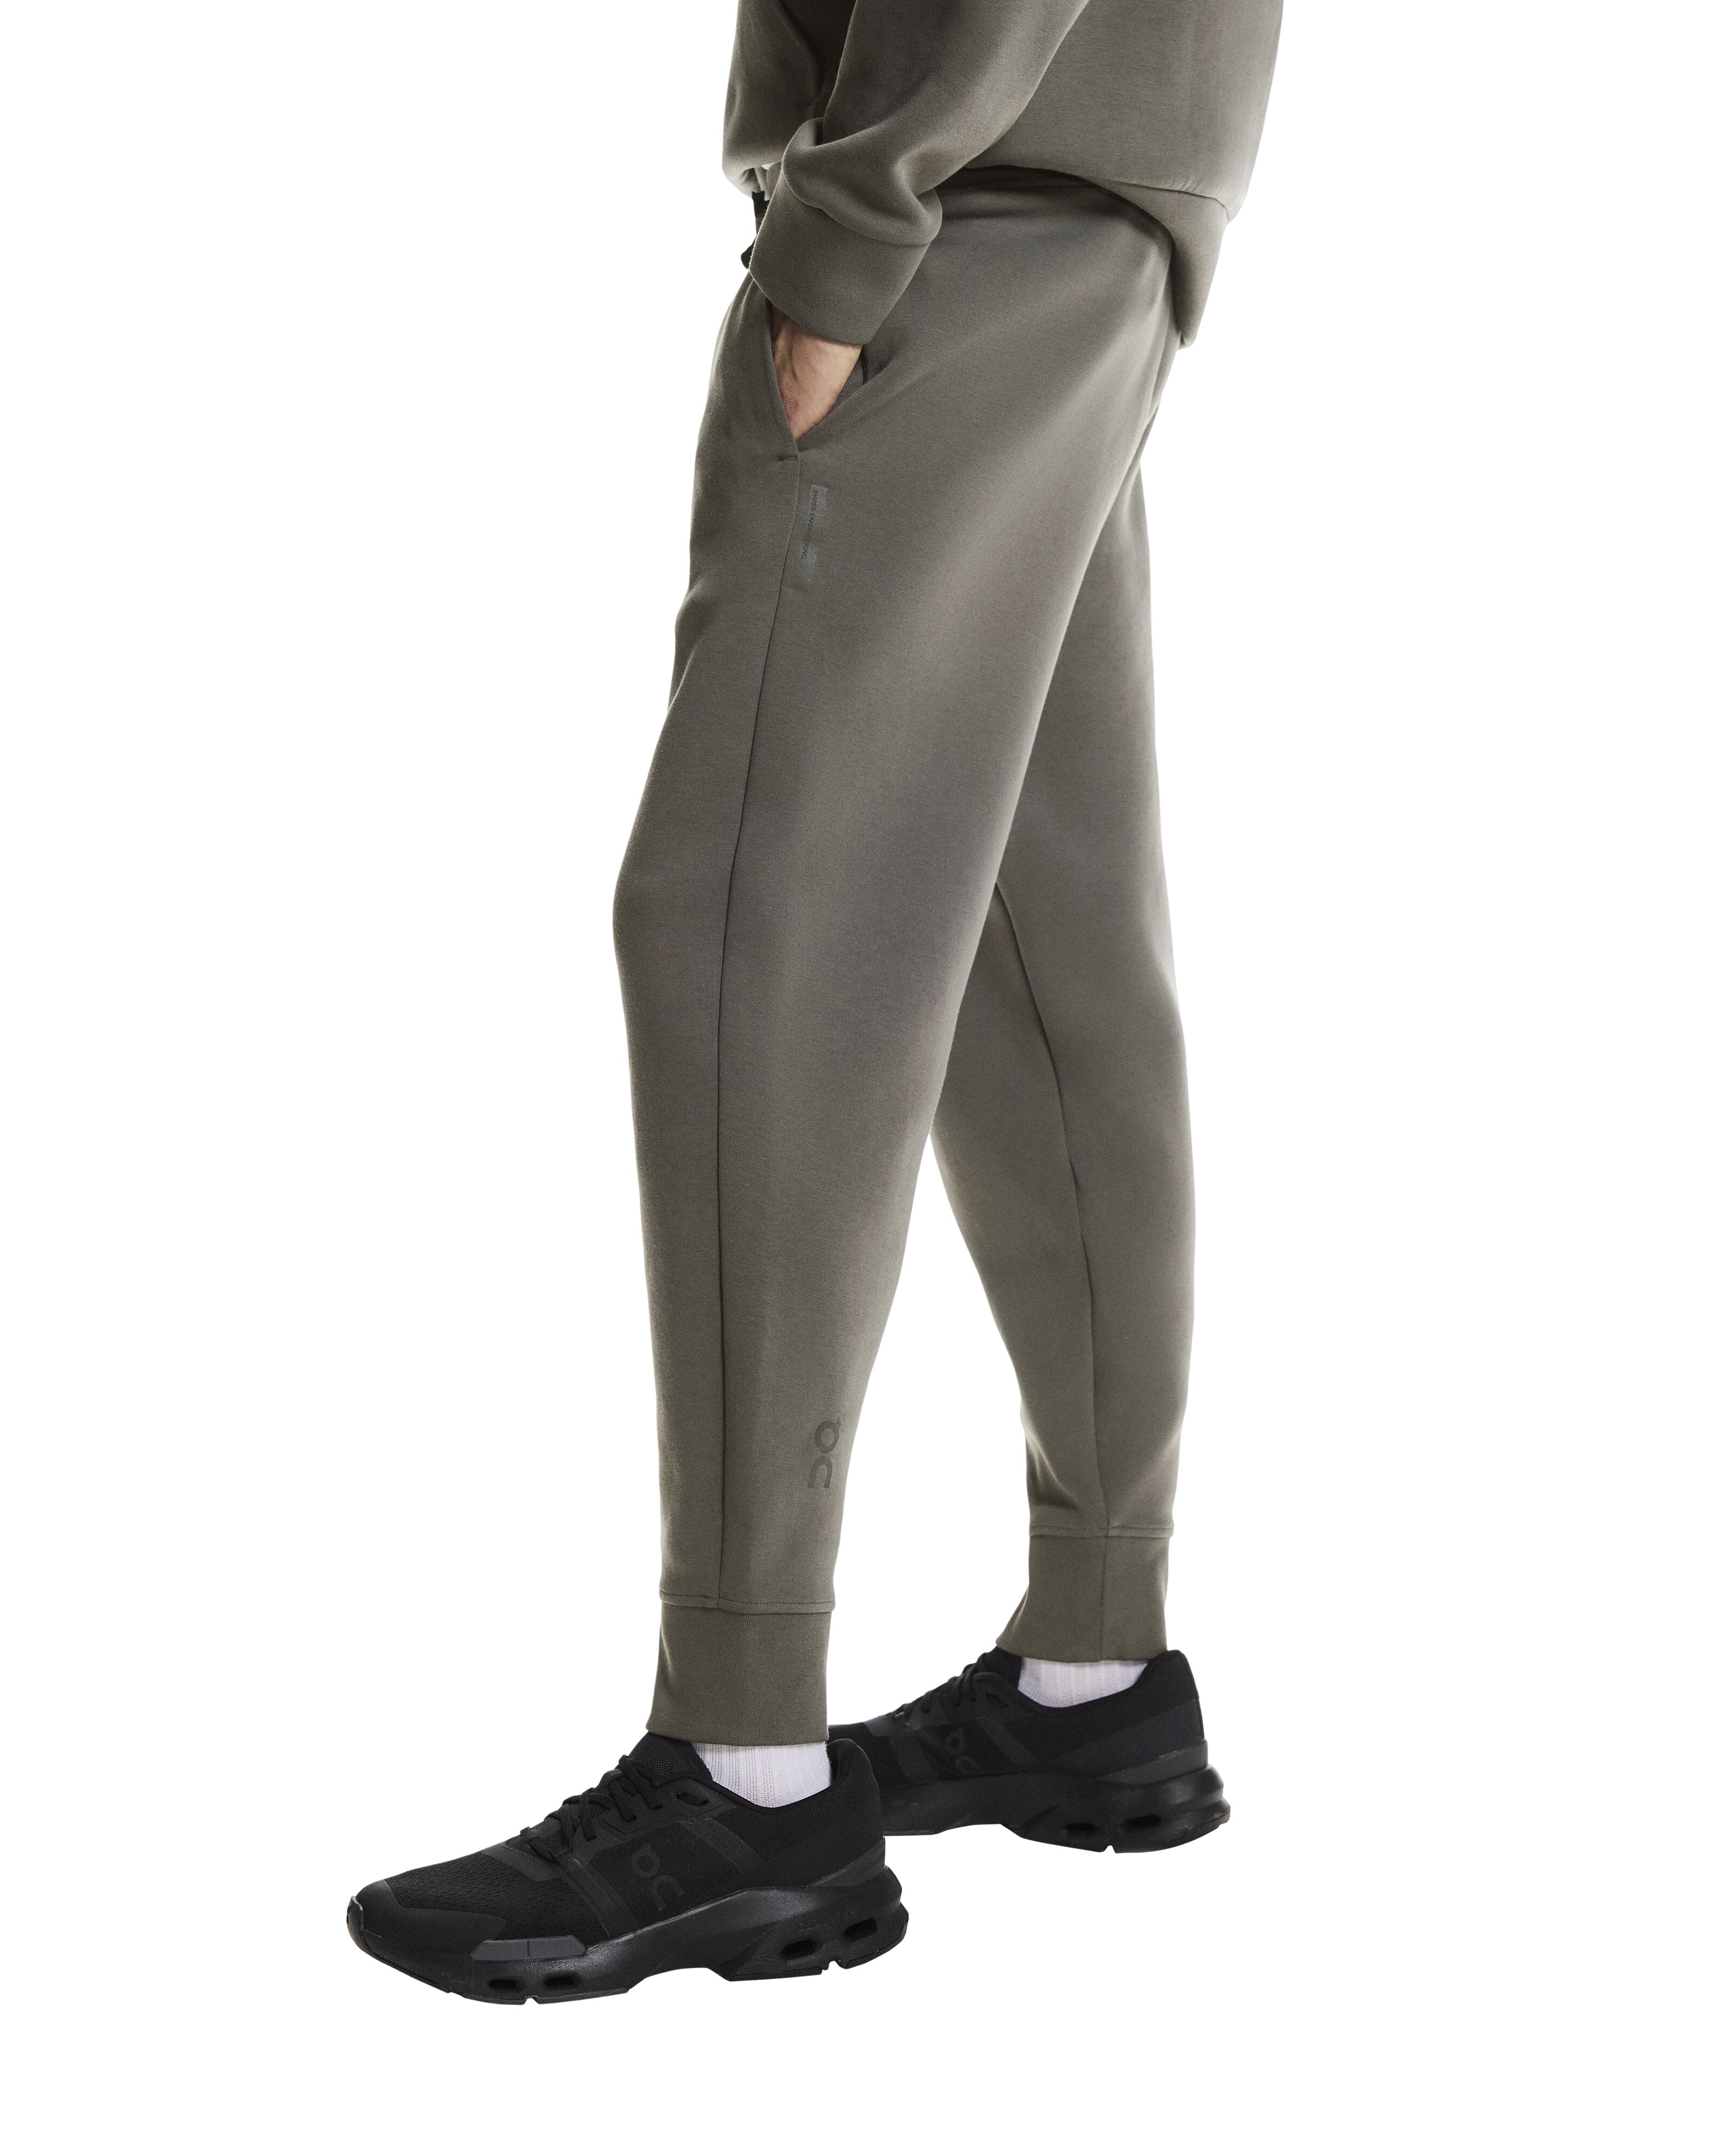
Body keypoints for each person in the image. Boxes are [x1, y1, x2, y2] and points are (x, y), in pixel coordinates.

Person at [348, 0, 1281, 2002]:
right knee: (1044, 941)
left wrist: (846, 232)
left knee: (752, 930)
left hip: (950, 208)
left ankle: (744, 1765)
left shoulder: (903, 222)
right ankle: (1095, 1667)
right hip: (1104, 206)